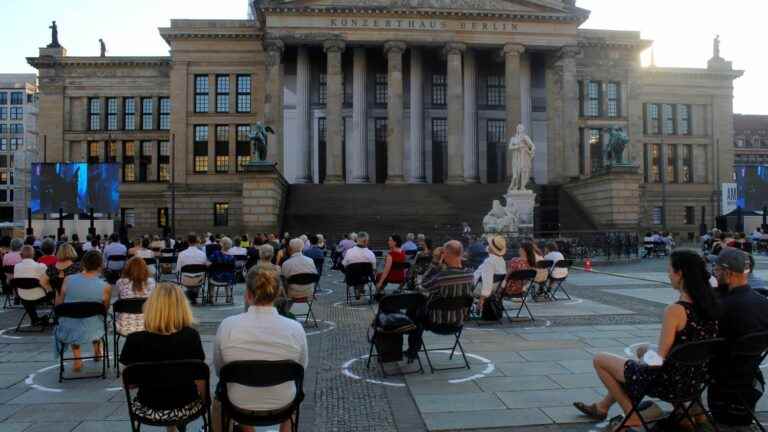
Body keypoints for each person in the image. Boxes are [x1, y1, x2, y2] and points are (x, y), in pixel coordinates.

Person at [574, 249, 720, 431]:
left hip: (668, 382)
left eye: (669, 269)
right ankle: (602, 406)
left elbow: (658, 360)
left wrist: (642, 360)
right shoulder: (711, 305)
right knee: (642, 351)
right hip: (693, 380)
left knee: (601, 359)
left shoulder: (675, 310)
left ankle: (632, 415)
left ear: (680, 273)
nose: (668, 274)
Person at [213, 269, 307, 432]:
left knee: (221, 397)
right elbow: (301, 367)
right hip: (283, 403)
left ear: (248, 295)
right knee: (295, 397)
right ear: (278, 293)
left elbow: (219, 370)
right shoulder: (295, 328)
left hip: (238, 403)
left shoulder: (228, 325)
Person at [119, 283, 206, 430]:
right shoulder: (191, 336)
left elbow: (130, 383)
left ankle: (170, 428)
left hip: (149, 408)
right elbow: (199, 378)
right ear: (183, 308)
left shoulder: (134, 340)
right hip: (185, 406)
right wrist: (205, 401)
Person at [708, 247, 768, 427]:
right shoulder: (762, 302)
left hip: (721, 374)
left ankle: (694, 416)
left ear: (729, 273)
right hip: (749, 374)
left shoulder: (723, 306)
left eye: (717, 270)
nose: (715, 274)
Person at [54, 250, 112, 372]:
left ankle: (77, 359)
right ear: (100, 265)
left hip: (70, 328)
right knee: (97, 316)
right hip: (93, 328)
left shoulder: (68, 279)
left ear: (83, 264)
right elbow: (104, 310)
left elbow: (59, 305)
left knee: (73, 318)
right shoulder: (105, 286)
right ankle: (97, 350)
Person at [115, 257, 156, 335]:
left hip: (124, 327)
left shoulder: (120, 282)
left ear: (128, 269)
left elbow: (120, 299)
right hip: (147, 326)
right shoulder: (152, 282)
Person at [14, 245, 51, 325]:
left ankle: (34, 319)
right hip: (39, 296)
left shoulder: (16, 267)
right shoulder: (40, 266)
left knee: (28, 293)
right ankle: (54, 318)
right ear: (34, 255)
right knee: (53, 291)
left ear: (21, 255)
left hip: (22, 295)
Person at [472, 235, 507, 310]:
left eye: (489, 244)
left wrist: (481, 300)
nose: (488, 245)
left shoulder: (489, 261)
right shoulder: (501, 260)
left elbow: (487, 282)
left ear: (491, 247)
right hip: (494, 289)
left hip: (477, 288)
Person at [342, 232, 377, 300]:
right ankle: (360, 288)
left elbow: (344, 264)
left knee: (354, 271)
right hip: (364, 278)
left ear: (356, 240)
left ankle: (357, 288)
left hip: (351, 278)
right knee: (365, 273)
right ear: (366, 241)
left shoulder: (349, 252)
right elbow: (374, 268)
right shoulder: (371, 254)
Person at [175, 234, 209, 303]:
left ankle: (190, 293)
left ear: (187, 241)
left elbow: (178, 269)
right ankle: (193, 293)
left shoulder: (181, 254)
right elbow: (205, 268)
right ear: (197, 241)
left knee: (187, 276)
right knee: (198, 276)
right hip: (199, 280)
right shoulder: (202, 254)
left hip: (186, 280)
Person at [207, 237, 237, 304]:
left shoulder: (216, 254)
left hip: (216, 278)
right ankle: (228, 297)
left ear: (221, 244)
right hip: (228, 280)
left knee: (210, 278)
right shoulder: (232, 257)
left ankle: (211, 297)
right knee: (228, 275)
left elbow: (208, 264)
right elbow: (233, 269)